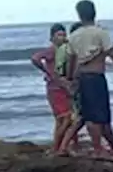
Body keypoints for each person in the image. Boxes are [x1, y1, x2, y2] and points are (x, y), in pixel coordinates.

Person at [66, 0, 113, 159]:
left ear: (79, 15)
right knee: (99, 117)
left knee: (95, 115)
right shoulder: (101, 33)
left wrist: (71, 80)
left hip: (83, 78)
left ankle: (112, 146)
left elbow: (71, 61)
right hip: (96, 77)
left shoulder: (74, 36)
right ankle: (99, 149)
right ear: (94, 12)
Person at [30, 23, 78, 154]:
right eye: (59, 35)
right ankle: (57, 146)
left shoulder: (66, 50)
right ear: (52, 38)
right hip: (55, 89)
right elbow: (35, 58)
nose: (62, 37)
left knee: (64, 119)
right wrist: (47, 72)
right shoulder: (52, 50)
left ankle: (67, 146)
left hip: (66, 88)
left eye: (63, 34)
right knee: (67, 118)